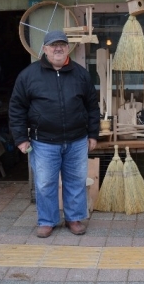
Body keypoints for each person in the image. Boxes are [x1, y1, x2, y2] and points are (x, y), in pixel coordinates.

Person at [9, 30, 100, 238]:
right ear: (45, 49)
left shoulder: (81, 74)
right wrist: (21, 139)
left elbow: (92, 107)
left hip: (77, 140)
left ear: (68, 48)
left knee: (76, 181)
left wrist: (92, 134)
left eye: (62, 44)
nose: (58, 48)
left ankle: (74, 218)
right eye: (53, 45)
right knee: (45, 183)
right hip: (44, 142)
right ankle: (47, 220)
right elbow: (16, 109)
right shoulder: (29, 75)